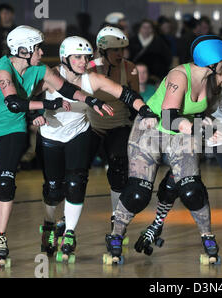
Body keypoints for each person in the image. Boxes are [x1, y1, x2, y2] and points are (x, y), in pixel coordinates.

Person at [107, 35, 222, 264]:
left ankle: (207, 236)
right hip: (152, 131)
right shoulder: (178, 76)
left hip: (183, 134)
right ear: (213, 62)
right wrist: (203, 131)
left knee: (192, 189)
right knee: (139, 193)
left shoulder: (217, 76)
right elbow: (170, 117)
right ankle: (116, 234)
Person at [0, 25, 110, 266]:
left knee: (6, 182)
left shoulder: (40, 70)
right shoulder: (3, 69)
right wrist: (48, 105)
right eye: (37, 48)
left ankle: (0, 237)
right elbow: (13, 103)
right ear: (23, 50)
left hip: (13, 129)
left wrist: (91, 99)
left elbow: (66, 88)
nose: (42, 52)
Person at [36, 35, 156, 260]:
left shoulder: (93, 79)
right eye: (78, 57)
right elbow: (27, 96)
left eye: (86, 57)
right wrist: (35, 114)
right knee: (53, 189)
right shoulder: (50, 75)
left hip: (79, 133)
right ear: (65, 58)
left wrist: (145, 110)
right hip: (50, 135)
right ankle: (49, 225)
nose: (83, 61)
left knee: (76, 181)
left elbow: (127, 94)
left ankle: (70, 232)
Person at [87, 26, 140, 231]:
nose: (120, 54)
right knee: (78, 172)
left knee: (118, 169)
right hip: (92, 125)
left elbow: (135, 100)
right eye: (115, 50)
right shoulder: (90, 67)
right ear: (103, 51)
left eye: (122, 50)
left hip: (119, 124)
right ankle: (65, 220)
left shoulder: (130, 68)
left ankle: (116, 218)